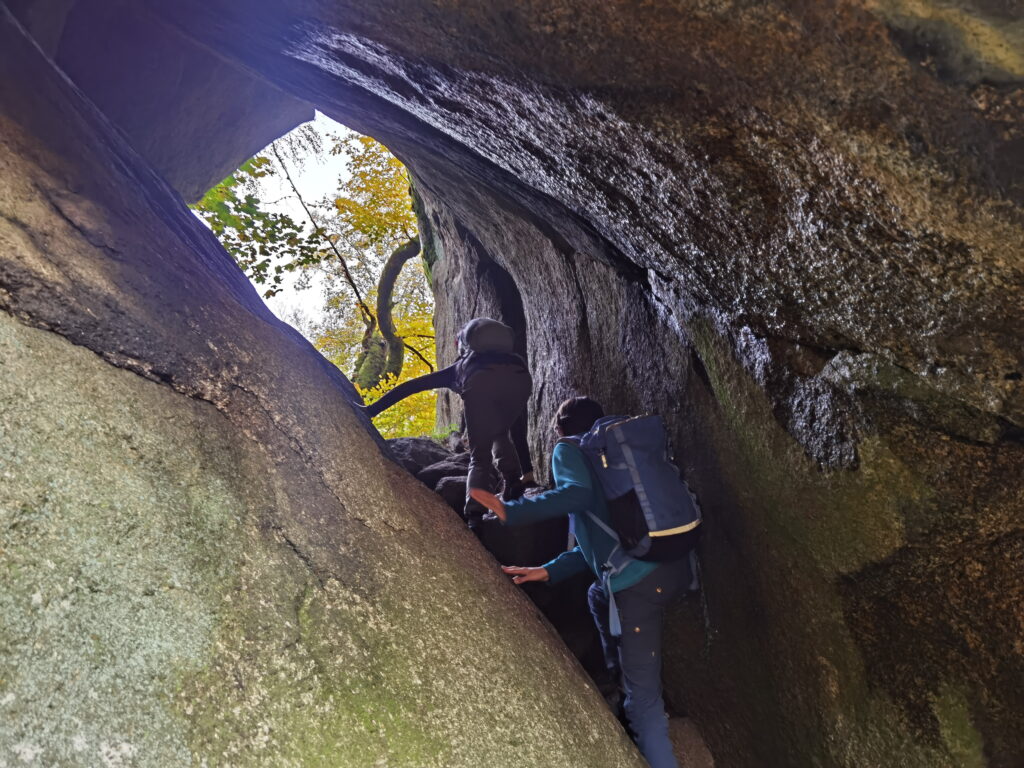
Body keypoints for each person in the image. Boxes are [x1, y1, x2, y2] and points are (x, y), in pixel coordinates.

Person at [470, 396, 685, 768]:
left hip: (639, 586)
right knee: (597, 595)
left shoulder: (568, 450)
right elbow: (603, 543)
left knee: (645, 704)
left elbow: (577, 494)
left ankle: (635, 711)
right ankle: (619, 680)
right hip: (675, 565)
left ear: (561, 428)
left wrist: (512, 510)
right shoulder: (620, 458)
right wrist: (548, 570)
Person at [362, 318, 532, 527]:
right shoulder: (516, 360)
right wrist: (528, 469)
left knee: (479, 457)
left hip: (479, 381)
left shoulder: (462, 366)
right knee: (500, 431)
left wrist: (372, 410)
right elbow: (516, 426)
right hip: (521, 380)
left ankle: (475, 515)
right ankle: (513, 480)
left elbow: (411, 387)